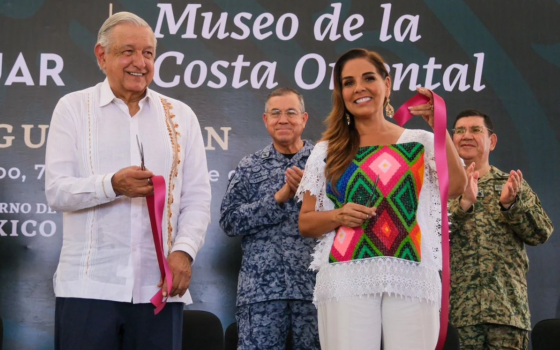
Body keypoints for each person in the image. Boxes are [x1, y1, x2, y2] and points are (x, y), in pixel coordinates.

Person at [44, 11, 211, 350]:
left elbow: (196, 197)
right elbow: (57, 191)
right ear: (102, 56)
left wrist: (183, 253)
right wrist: (112, 185)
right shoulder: (73, 108)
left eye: (148, 53)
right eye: (128, 52)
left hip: (159, 288)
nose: (140, 62)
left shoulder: (181, 115)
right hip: (88, 286)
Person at [296, 48, 466, 350]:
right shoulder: (326, 151)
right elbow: (306, 222)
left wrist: (438, 127)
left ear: (387, 85)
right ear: (341, 94)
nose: (358, 88)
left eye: (368, 78)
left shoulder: (419, 141)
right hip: (347, 275)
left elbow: (455, 186)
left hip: (411, 274)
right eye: (348, 82)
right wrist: (338, 215)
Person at [220, 88, 319, 350]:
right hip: (261, 293)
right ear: (265, 120)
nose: (283, 119)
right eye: (275, 113)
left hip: (315, 289)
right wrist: (278, 198)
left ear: (304, 119)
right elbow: (229, 221)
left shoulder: (325, 162)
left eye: (290, 112)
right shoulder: (249, 166)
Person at [448, 109, 553, 350]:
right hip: (458, 315)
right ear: (452, 141)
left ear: (491, 141)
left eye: (476, 130)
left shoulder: (511, 184)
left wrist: (511, 205)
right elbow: (429, 240)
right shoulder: (441, 188)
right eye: (460, 131)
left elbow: (541, 233)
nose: (466, 136)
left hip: (507, 312)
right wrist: (463, 205)